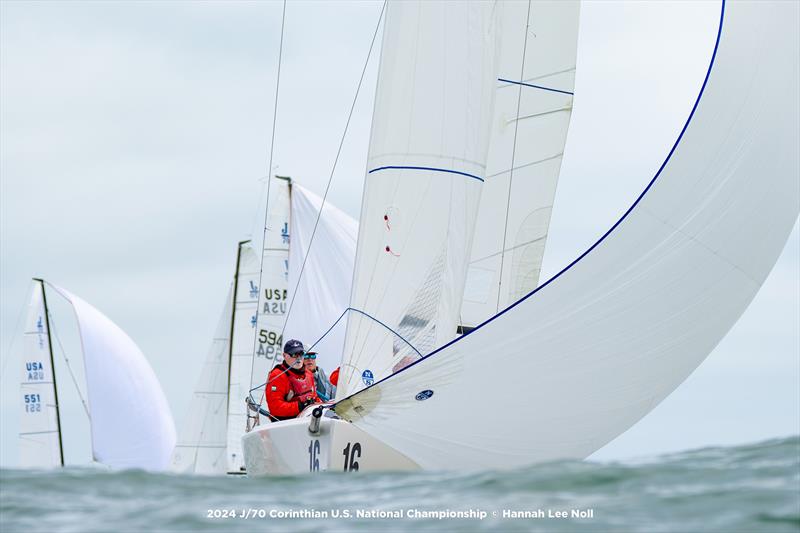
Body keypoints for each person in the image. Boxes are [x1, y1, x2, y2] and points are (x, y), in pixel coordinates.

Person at [265, 339, 320, 420]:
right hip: (287, 423)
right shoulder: (277, 376)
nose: (298, 358)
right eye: (294, 354)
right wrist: (300, 406)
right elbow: (275, 407)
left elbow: (315, 397)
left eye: (301, 354)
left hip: (307, 419)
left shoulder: (308, 374)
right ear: (284, 356)